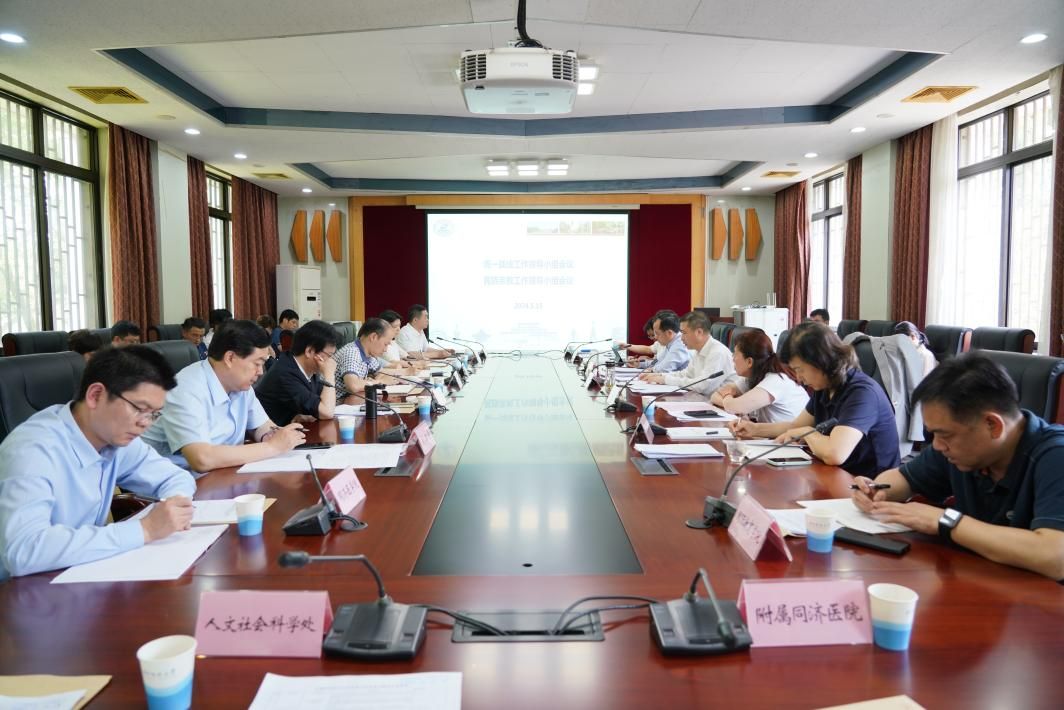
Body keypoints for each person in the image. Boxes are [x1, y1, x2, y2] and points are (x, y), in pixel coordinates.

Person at [852, 352, 1064, 581]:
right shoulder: (957, 449)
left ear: (993, 425)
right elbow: (903, 478)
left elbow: (1055, 557)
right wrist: (876, 490)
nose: (937, 445)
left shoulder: (1055, 456)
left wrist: (946, 521)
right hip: (980, 580)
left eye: (944, 435)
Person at [0, 346, 196, 579]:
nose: (145, 423)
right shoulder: (32, 451)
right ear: (95, 395)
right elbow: (23, 551)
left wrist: (175, 506)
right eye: (140, 409)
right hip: (23, 588)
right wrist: (145, 529)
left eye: (154, 414)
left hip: (80, 572)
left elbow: (175, 477)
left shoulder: (115, 437)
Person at [731, 321, 900, 476]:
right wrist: (754, 429)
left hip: (869, 485)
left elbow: (835, 453)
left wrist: (805, 433)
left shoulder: (862, 393)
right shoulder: (825, 386)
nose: (798, 377)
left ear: (819, 361)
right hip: (835, 475)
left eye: (799, 369)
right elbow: (795, 426)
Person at [141, 319, 305, 472]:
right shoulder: (185, 389)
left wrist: (279, 436)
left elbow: (261, 426)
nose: (260, 372)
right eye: (257, 363)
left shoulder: (240, 385)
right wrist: (272, 447)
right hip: (174, 482)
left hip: (223, 474)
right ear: (230, 358)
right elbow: (202, 459)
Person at [711, 329, 808, 422]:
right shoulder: (753, 376)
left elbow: (735, 407)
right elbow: (715, 396)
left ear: (749, 361)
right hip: (773, 432)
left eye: (735, 354)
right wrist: (728, 401)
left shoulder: (775, 380)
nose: (733, 359)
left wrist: (727, 395)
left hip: (795, 433)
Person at [255, 320, 339, 426]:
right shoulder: (285, 373)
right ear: (309, 351)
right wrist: (329, 374)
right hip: (268, 433)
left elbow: (326, 403)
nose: (331, 361)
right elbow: (326, 412)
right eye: (329, 355)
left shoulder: (307, 369)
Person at [639, 311, 736, 395]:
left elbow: (703, 386)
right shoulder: (698, 351)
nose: (681, 338)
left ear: (699, 332)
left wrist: (665, 380)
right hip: (703, 400)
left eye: (684, 333)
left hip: (721, 406)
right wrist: (661, 376)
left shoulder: (717, 352)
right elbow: (687, 374)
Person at [332, 318, 393, 401]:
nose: (385, 349)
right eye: (385, 344)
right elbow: (353, 386)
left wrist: (373, 380)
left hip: (352, 400)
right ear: (373, 337)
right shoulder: (351, 352)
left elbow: (382, 373)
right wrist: (379, 381)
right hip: (338, 404)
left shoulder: (367, 354)